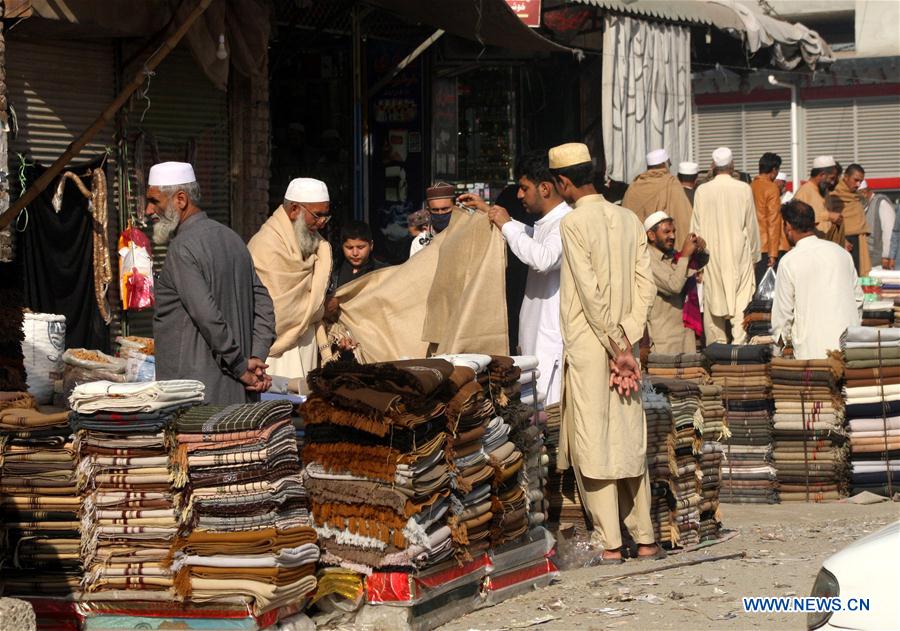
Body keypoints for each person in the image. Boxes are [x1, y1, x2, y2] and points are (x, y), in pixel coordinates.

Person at [551, 142, 661, 564]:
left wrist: (615, 344)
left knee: (593, 440)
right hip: (624, 348)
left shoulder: (574, 223)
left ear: (563, 182)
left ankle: (611, 544)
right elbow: (645, 285)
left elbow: (589, 291)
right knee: (628, 436)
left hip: (593, 345)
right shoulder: (628, 218)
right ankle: (646, 538)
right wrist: (629, 339)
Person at [149, 162, 275, 404]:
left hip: (195, 396)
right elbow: (265, 307)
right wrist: (255, 359)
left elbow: (207, 316)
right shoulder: (233, 239)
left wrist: (241, 366)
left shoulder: (181, 249)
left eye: (155, 201)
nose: (148, 210)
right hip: (237, 395)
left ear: (181, 200)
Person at [457, 151, 572, 406]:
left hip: (550, 343)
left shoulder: (566, 222)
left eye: (524, 188)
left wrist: (507, 225)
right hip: (536, 340)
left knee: (549, 421)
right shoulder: (547, 224)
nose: (520, 195)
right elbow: (530, 237)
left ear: (544, 188)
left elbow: (543, 258)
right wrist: (493, 213)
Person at [248, 178, 333, 383]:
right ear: (294, 209)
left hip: (306, 343)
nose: (321, 222)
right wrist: (321, 308)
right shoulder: (265, 245)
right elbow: (280, 308)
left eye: (325, 216)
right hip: (274, 352)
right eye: (317, 215)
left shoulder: (315, 243)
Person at [771, 200, 862, 360]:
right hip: (848, 347)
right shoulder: (841, 253)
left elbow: (783, 314)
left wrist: (777, 352)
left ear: (788, 226)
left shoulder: (789, 261)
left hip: (812, 352)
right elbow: (858, 299)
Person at [690, 147, 760, 345]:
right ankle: (741, 347)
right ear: (733, 166)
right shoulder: (744, 189)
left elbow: (695, 228)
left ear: (712, 166)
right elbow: (751, 226)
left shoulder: (702, 191)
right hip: (740, 255)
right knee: (741, 303)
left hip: (711, 256)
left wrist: (697, 261)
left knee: (713, 303)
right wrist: (754, 257)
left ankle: (717, 350)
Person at [644, 211, 707, 354]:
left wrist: (700, 248)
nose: (672, 236)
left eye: (673, 231)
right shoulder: (646, 260)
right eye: (666, 232)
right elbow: (674, 286)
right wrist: (685, 255)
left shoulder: (673, 255)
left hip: (685, 336)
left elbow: (698, 263)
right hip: (664, 339)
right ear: (651, 235)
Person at [621, 148, 694, 250]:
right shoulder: (671, 183)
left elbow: (625, 219)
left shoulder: (634, 186)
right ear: (665, 164)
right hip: (663, 251)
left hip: (637, 248)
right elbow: (683, 219)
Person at [751, 152, 788, 282]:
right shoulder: (772, 188)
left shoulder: (751, 186)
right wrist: (773, 254)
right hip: (767, 246)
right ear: (773, 170)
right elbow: (773, 221)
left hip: (752, 244)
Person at [795, 156, 843, 245]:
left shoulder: (824, 192)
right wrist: (828, 216)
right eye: (832, 178)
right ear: (822, 175)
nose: (832, 182)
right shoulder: (805, 191)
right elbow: (799, 220)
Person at [832, 163, 869, 274]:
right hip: (843, 242)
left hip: (858, 241)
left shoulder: (857, 197)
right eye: (856, 180)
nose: (858, 184)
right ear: (846, 177)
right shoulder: (835, 194)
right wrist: (842, 239)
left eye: (861, 181)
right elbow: (831, 222)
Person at [330, 220, 386, 289]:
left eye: (360, 247)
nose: (355, 253)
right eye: (349, 248)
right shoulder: (333, 270)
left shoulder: (383, 272)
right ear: (342, 246)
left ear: (371, 245)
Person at [409, 182, 455, 257]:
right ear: (428, 210)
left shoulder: (466, 235)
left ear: (455, 207)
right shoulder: (420, 243)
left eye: (445, 209)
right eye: (435, 210)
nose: (440, 213)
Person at [864, 180, 897, 269]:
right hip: (870, 260)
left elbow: (889, 231)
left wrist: (886, 256)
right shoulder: (866, 205)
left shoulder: (881, 203)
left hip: (881, 262)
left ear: (864, 192)